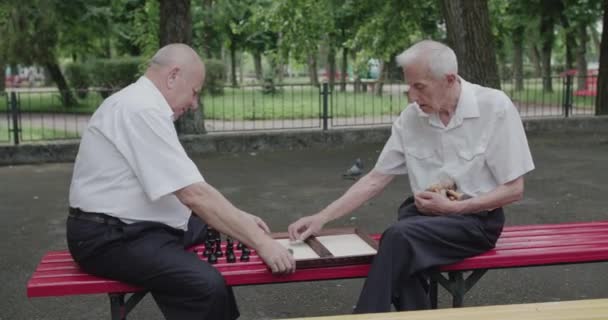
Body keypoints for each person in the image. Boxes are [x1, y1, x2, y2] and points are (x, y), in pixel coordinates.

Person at [288, 40, 534, 313]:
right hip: (421, 219)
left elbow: (514, 190)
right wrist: (321, 217)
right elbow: (375, 179)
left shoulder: (494, 106)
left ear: (449, 79)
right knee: (403, 252)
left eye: (420, 87)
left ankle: (365, 315)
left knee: (397, 239)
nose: (412, 96)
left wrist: (455, 207)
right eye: (409, 86)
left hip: (474, 222)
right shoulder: (410, 119)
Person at [67, 43, 295, 320]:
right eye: (195, 92)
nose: (194, 103)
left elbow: (185, 186)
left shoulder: (140, 103)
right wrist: (262, 242)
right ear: (173, 76)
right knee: (205, 287)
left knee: (209, 225)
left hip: (130, 226)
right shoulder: (141, 110)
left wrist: (241, 219)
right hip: (109, 239)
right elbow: (193, 194)